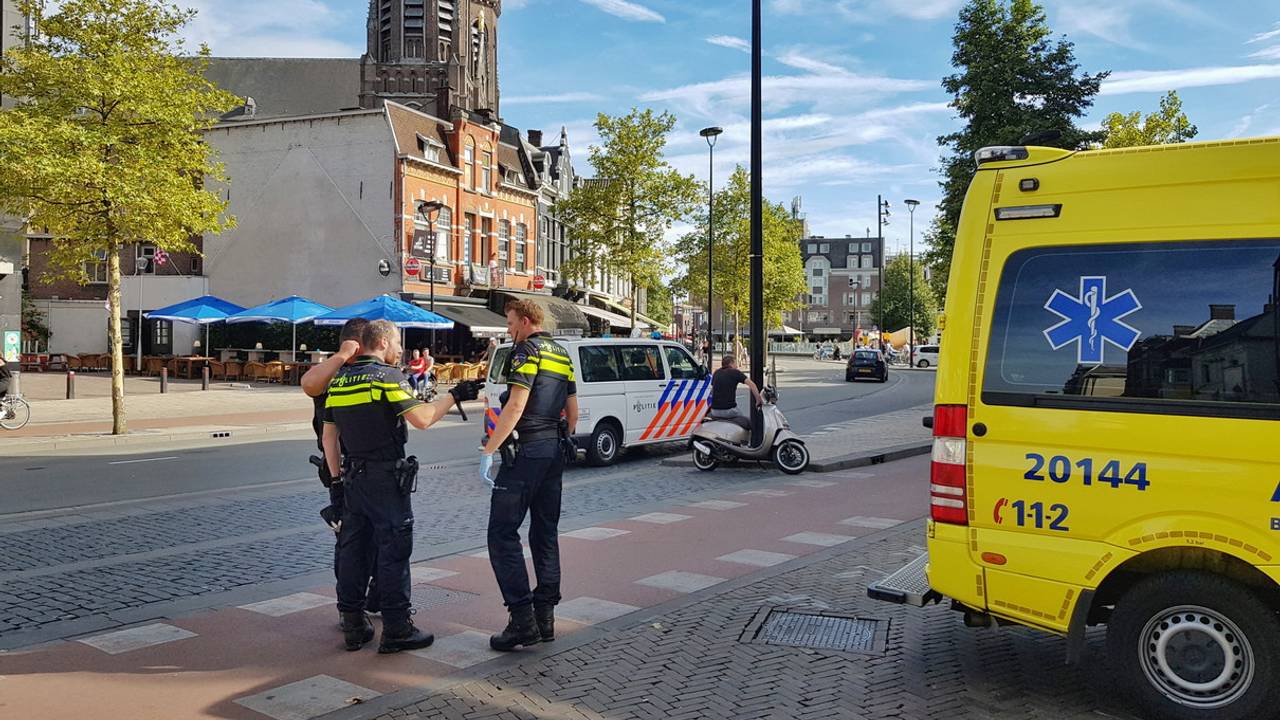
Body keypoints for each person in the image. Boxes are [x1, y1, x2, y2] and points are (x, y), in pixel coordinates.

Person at [321, 319, 484, 653]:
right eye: (397, 344)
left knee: (354, 551)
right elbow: (422, 418)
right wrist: (453, 396)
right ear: (382, 342)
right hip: (385, 479)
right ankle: (397, 628)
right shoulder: (387, 377)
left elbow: (329, 438)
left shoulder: (339, 381)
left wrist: (337, 483)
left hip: (353, 480)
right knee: (393, 551)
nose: (400, 351)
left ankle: (352, 624)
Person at [479, 300, 578, 652]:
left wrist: (490, 448)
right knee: (545, 532)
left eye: (509, 323)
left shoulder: (526, 351)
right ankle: (545, 618)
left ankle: (522, 620)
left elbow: (516, 404)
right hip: (553, 450)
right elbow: (573, 412)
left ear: (525, 320)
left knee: (501, 534)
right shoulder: (562, 354)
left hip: (525, 452)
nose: (508, 330)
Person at [301, 319, 378, 621]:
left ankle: (373, 598)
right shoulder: (335, 374)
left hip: (372, 469)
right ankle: (352, 610)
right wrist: (343, 355)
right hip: (342, 471)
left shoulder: (371, 372)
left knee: (379, 539)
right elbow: (309, 383)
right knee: (350, 543)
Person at [709, 354, 763, 433]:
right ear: (731, 363)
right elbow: (752, 384)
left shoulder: (716, 373)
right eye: (735, 363)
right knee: (747, 423)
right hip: (729, 410)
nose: (737, 366)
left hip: (714, 411)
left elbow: (713, 391)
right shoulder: (735, 372)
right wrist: (758, 399)